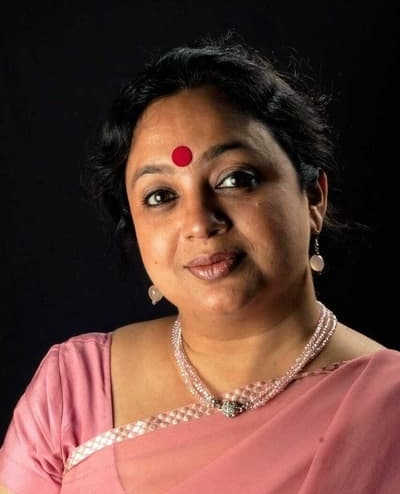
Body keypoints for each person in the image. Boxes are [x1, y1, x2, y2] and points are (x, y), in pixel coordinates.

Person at [0, 34, 398, 494]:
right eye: (161, 196)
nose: (199, 222)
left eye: (235, 179)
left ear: (313, 197)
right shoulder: (72, 393)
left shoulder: (389, 410)